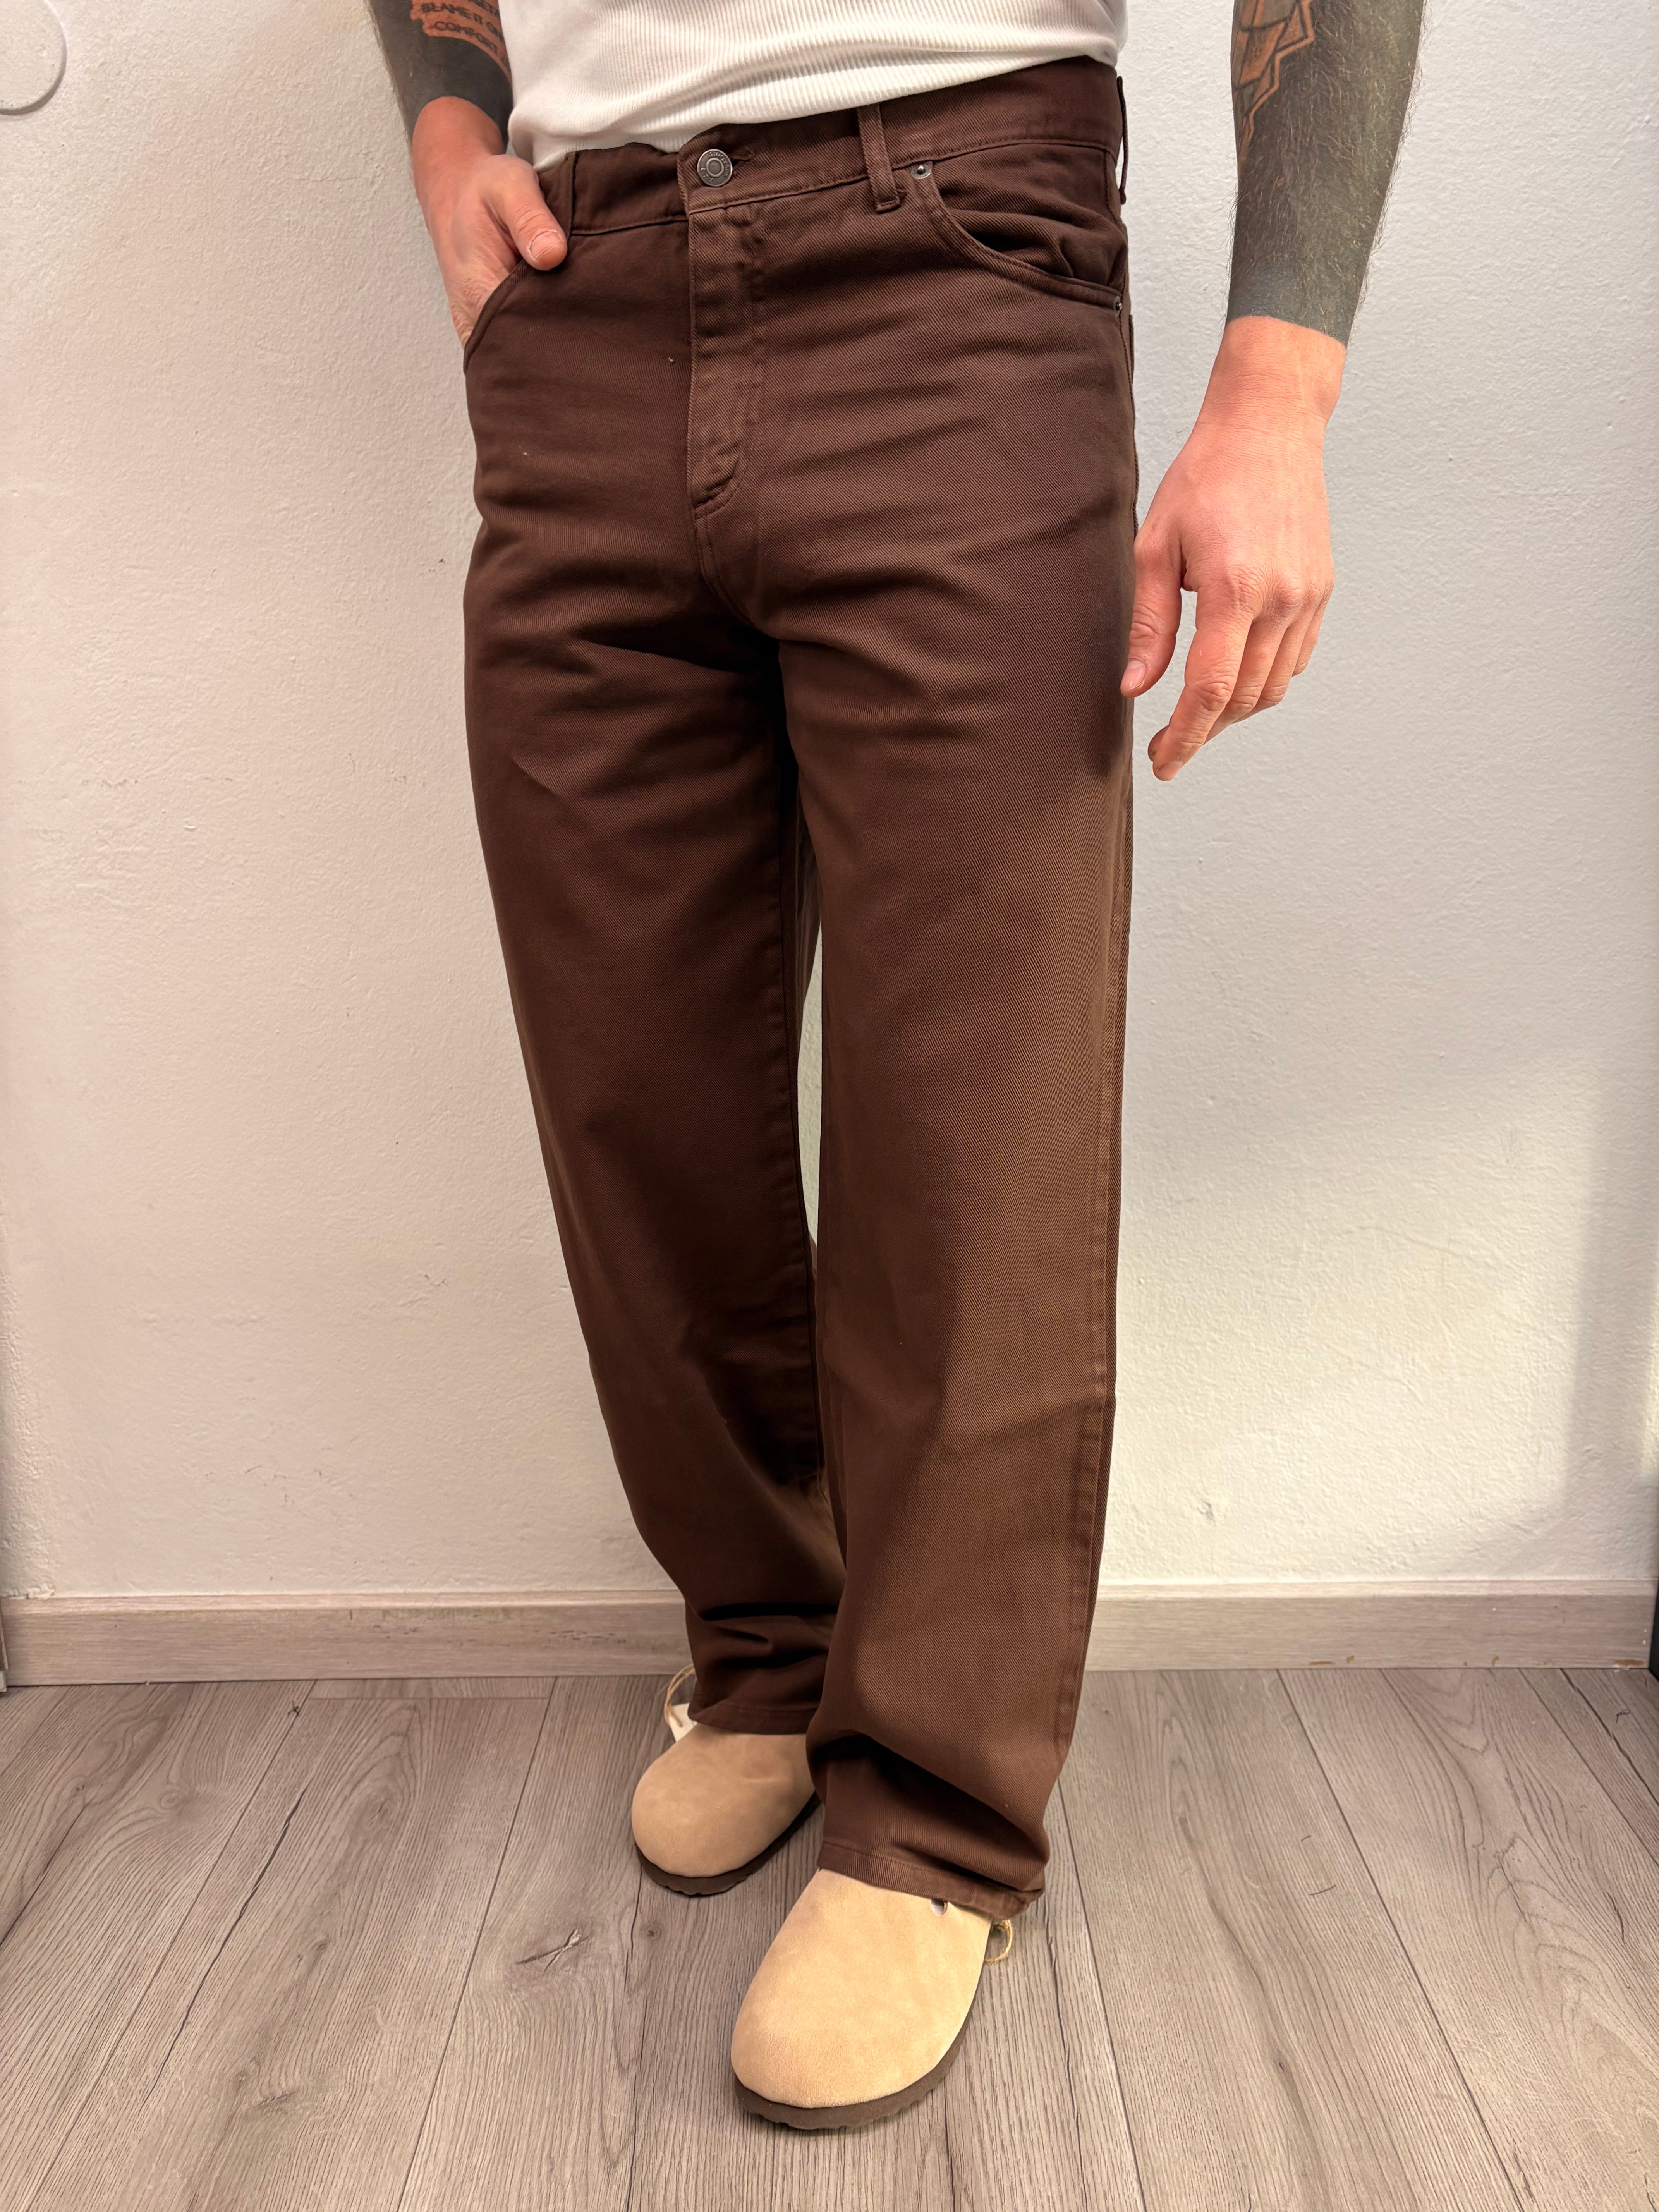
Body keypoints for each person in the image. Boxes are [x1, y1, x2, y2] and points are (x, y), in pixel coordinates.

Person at [367, 0, 1421, 2131]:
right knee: (634, 1087)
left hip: (956, 257)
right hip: (582, 296)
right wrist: (448, 133)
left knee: (970, 1111)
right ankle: (768, 1654)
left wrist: (1279, 382)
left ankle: (935, 1814)